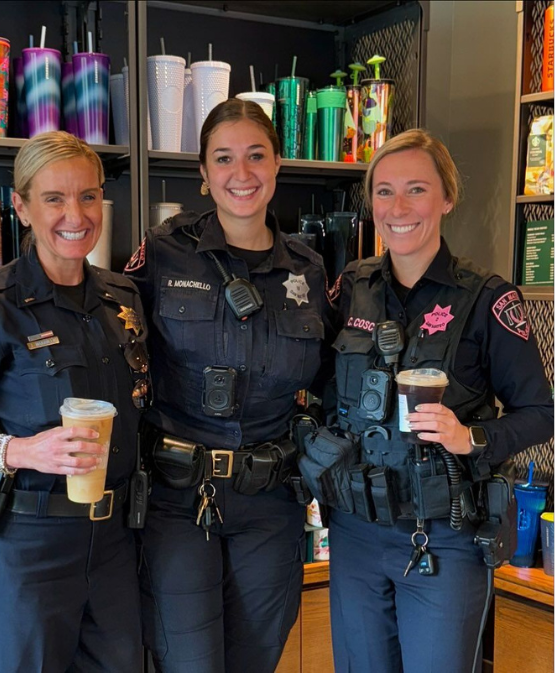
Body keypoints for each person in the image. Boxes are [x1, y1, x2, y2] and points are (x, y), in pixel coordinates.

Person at [315, 129, 554, 673]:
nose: (398, 208)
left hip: (441, 539)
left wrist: (470, 437)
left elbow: (542, 413)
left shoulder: (489, 298)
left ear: (447, 198)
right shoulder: (350, 287)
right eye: (384, 191)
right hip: (353, 533)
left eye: (416, 190)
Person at [0, 131, 149, 673]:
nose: (76, 214)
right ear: (20, 206)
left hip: (114, 542)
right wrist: (22, 451)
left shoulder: (123, 300)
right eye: (54, 198)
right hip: (26, 545)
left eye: (88, 196)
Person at [124, 98, 333, 672]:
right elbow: (109, 346)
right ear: (203, 174)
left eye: (255, 156)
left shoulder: (309, 270)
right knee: (189, 662)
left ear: (278, 163)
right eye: (223, 158)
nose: (241, 174)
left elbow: (333, 377)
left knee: (256, 662)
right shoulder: (161, 254)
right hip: (178, 500)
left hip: (271, 504)